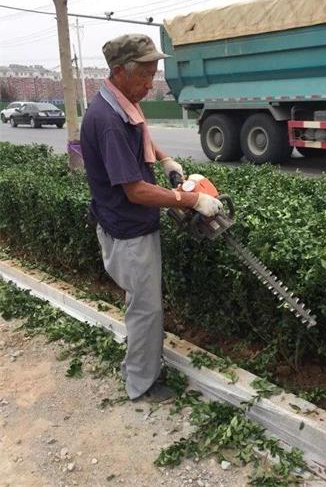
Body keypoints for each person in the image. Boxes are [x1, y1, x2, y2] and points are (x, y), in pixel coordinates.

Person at [80, 33, 222, 402]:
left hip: (130, 224)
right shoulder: (108, 120)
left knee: (141, 303)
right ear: (118, 71)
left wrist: (165, 160)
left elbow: (140, 131)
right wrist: (189, 201)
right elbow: (136, 191)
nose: (150, 83)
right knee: (145, 309)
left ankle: (136, 366)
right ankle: (140, 385)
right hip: (128, 231)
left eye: (153, 74)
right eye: (144, 75)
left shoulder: (121, 101)